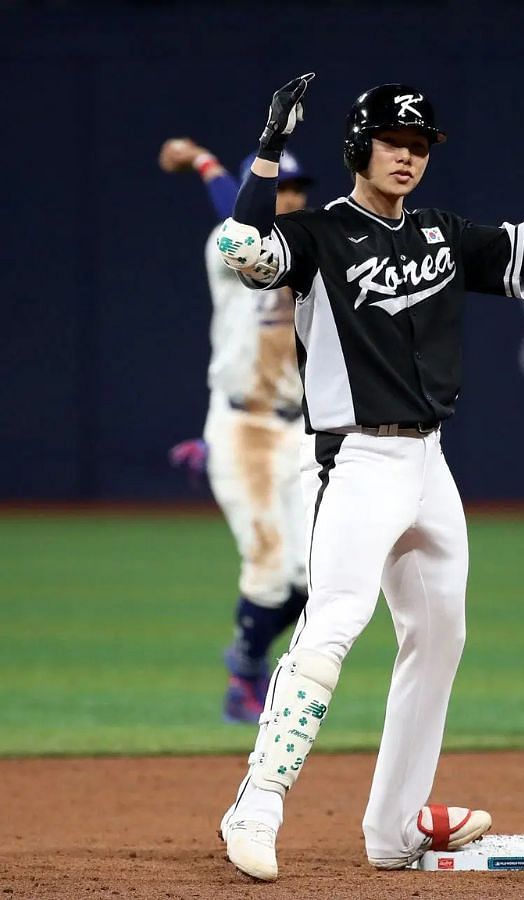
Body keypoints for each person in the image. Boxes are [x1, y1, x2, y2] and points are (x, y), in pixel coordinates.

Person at [213, 74, 524, 881]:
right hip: (356, 461)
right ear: (359, 148)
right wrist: (267, 151)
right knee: (334, 626)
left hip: (429, 463)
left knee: (440, 635)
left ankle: (392, 829)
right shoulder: (316, 234)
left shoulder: (441, 233)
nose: (408, 157)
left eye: (419, 147)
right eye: (393, 144)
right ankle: (256, 805)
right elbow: (242, 249)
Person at [159, 137, 314, 724]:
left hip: (300, 432)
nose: (291, 198)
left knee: (316, 577)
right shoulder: (229, 248)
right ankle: (245, 675)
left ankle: (246, 656)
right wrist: (206, 164)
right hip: (241, 425)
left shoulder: (314, 253)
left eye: (297, 189)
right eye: (279, 188)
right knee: (270, 570)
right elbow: (238, 219)